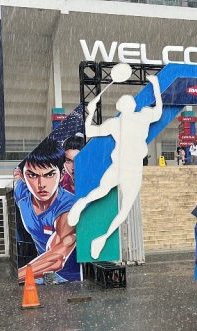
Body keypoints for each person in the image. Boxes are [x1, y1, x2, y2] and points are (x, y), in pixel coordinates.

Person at [67, 71, 162, 259]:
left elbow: (89, 130)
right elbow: (89, 131)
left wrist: (91, 113)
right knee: (115, 201)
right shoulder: (127, 120)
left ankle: (99, 234)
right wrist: (156, 86)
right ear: (125, 106)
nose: (131, 102)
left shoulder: (127, 120)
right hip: (125, 166)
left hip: (129, 167)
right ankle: (86, 212)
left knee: (112, 198)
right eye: (127, 101)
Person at [14, 138, 79, 283]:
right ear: (24, 176)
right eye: (32, 175)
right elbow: (16, 176)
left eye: (49, 175)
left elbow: (57, 258)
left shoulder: (69, 206)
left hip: (71, 280)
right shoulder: (21, 194)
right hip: (41, 273)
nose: (41, 184)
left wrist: (15, 276)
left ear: (61, 174)